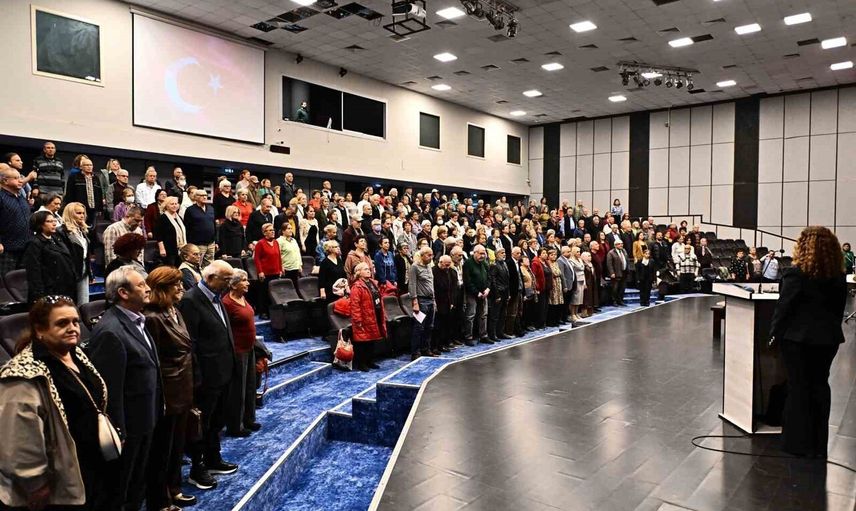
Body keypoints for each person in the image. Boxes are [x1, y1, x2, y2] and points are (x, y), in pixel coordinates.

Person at [0, 296, 110, 510]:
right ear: (40, 330)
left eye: (75, 321)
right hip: (56, 483)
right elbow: (20, 439)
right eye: (62, 323)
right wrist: (36, 483)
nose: (73, 328)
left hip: (86, 466)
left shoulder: (74, 353)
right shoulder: (21, 375)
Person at [87, 266, 163, 510]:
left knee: (136, 488)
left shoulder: (136, 319)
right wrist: (120, 433)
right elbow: (109, 392)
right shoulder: (111, 331)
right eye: (141, 285)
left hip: (145, 420)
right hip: (128, 430)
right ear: (123, 292)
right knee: (121, 492)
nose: (148, 288)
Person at [770, 226, 847, 458]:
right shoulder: (838, 276)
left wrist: (774, 334)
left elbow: (784, 308)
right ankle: (817, 442)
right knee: (820, 386)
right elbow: (838, 309)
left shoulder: (796, 274)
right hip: (828, 339)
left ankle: (796, 444)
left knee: (799, 388)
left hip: (797, 340)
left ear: (803, 247)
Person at [178, 260, 239, 490]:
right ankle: (198, 467)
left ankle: (214, 458)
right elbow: (190, 343)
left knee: (216, 421)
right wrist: (197, 377)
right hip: (206, 376)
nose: (229, 283)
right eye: (226, 279)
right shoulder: (190, 300)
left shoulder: (217, 297)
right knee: (201, 425)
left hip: (223, 372)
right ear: (211, 278)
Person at [143, 267, 197, 511]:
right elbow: (154, 361)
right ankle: (161, 498)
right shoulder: (152, 318)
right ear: (162, 288)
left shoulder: (175, 310)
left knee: (176, 446)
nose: (181, 288)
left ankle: (174, 489)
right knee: (162, 449)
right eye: (176, 284)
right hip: (168, 391)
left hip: (183, 386)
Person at [222, 270, 261, 437]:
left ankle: (249, 419)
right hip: (238, 351)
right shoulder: (226, 303)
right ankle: (235, 426)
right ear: (233, 284)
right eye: (244, 280)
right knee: (238, 389)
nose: (248, 283)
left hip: (249, 348)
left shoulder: (243, 298)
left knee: (250, 386)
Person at [22, 211, 77, 304]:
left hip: (65, 287)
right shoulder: (35, 243)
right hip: (49, 291)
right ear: (40, 224)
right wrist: (40, 295)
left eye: (54, 220)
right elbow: (34, 271)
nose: (54, 223)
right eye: (49, 221)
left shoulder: (57, 239)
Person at [349, 262, 386, 371]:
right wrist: (357, 320)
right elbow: (355, 305)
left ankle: (370, 361)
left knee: (371, 341)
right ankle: (362, 363)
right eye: (365, 269)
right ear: (359, 272)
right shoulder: (357, 287)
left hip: (374, 315)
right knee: (363, 342)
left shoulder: (373, 283)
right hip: (364, 318)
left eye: (368, 269)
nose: (368, 270)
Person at [59, 202, 92, 305]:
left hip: (83, 268)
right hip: (70, 271)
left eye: (83, 213)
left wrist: (89, 272)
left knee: (84, 301)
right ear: (70, 214)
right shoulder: (61, 231)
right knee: (70, 302)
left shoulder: (82, 230)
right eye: (78, 213)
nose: (82, 216)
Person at [409, 246, 437, 360]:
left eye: (432, 255)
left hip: (431, 300)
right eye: (429, 255)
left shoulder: (429, 266)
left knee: (429, 326)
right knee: (419, 327)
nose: (431, 257)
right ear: (422, 255)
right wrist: (414, 301)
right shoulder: (415, 267)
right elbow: (412, 284)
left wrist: (434, 301)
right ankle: (415, 352)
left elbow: (431, 284)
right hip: (421, 300)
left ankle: (426, 349)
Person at [64, 155, 106, 227]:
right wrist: (71, 207)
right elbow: (69, 193)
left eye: (90, 165)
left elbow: (99, 193)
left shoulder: (96, 178)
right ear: (81, 167)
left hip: (93, 209)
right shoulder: (74, 177)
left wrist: (100, 208)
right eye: (86, 165)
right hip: (79, 209)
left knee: (92, 228)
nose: (89, 167)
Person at [254, 223, 283, 319]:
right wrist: (260, 272)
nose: (273, 232)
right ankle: (263, 312)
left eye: (273, 230)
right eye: (270, 230)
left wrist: (280, 269)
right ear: (264, 232)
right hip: (265, 274)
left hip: (275, 272)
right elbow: (257, 259)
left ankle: (273, 312)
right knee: (264, 294)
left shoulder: (276, 242)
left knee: (274, 294)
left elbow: (279, 256)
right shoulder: (260, 243)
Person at [463, 245, 490, 344]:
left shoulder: (484, 263)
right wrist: (476, 292)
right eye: (480, 253)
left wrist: (488, 289)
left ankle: (483, 335)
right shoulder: (468, 263)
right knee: (470, 315)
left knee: (484, 315)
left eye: (484, 253)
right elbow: (467, 281)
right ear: (475, 253)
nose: (482, 256)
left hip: (484, 292)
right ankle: (468, 337)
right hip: (472, 294)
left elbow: (489, 277)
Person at [184, 189, 217, 267]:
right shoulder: (190, 210)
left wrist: (216, 241)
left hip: (211, 243)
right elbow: (187, 227)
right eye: (202, 195)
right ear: (196, 197)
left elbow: (214, 224)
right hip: (198, 243)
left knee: (210, 266)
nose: (205, 197)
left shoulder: (211, 208)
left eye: (206, 195)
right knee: (197, 264)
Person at [433, 254, 458, 352]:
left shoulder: (450, 271)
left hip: (447, 301)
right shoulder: (433, 271)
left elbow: (453, 288)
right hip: (438, 300)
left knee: (446, 324)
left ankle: (443, 343)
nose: (448, 267)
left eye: (449, 265)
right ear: (440, 262)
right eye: (446, 265)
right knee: (437, 325)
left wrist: (452, 301)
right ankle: (435, 345)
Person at [155, 195, 187, 268]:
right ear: (166, 206)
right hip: (168, 249)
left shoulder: (179, 218)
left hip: (180, 249)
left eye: (176, 204)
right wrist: (162, 249)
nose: (174, 206)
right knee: (170, 269)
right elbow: (159, 235)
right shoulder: (162, 218)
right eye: (172, 204)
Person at [488, 247, 511, 341]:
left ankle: (500, 332)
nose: (504, 254)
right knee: (495, 315)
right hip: (498, 293)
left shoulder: (504, 264)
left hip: (505, 292)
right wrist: (496, 295)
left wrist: (508, 293)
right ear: (496, 254)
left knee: (503, 314)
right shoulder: (494, 265)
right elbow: (493, 281)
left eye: (504, 252)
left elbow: (507, 280)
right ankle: (492, 334)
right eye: (502, 253)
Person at [277, 223, 302, 287]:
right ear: (283, 231)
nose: (291, 230)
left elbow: (298, 253)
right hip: (286, 269)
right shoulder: (279, 241)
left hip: (295, 268)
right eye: (288, 229)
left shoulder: (294, 240)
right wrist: (281, 267)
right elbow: (277, 255)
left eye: (291, 228)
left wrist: (300, 265)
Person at [606, 239, 629, 306]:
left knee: (622, 288)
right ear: (615, 245)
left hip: (624, 272)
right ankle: (614, 301)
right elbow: (609, 264)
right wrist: (612, 272)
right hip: (616, 273)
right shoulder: (611, 253)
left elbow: (626, 260)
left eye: (622, 243)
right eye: (619, 244)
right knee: (615, 288)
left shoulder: (624, 251)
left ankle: (620, 300)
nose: (621, 245)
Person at [568, 246, 586, 322]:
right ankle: (573, 314)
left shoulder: (580, 259)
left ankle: (576, 313)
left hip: (582, 279)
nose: (579, 253)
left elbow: (582, 270)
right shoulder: (571, 260)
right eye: (577, 252)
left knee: (580, 298)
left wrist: (585, 282)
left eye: (579, 251)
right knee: (575, 298)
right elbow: (575, 270)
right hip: (576, 281)